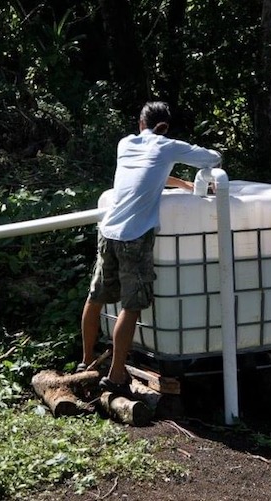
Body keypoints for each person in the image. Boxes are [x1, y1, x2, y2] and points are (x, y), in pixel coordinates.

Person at [78, 101, 222, 395]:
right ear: (164, 127)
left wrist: (180, 183)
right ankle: (117, 376)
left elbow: (148, 173)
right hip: (135, 236)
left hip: (108, 231)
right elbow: (213, 158)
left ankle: (86, 363)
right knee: (131, 306)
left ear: (139, 123)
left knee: (96, 297)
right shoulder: (167, 146)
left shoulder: (125, 144)